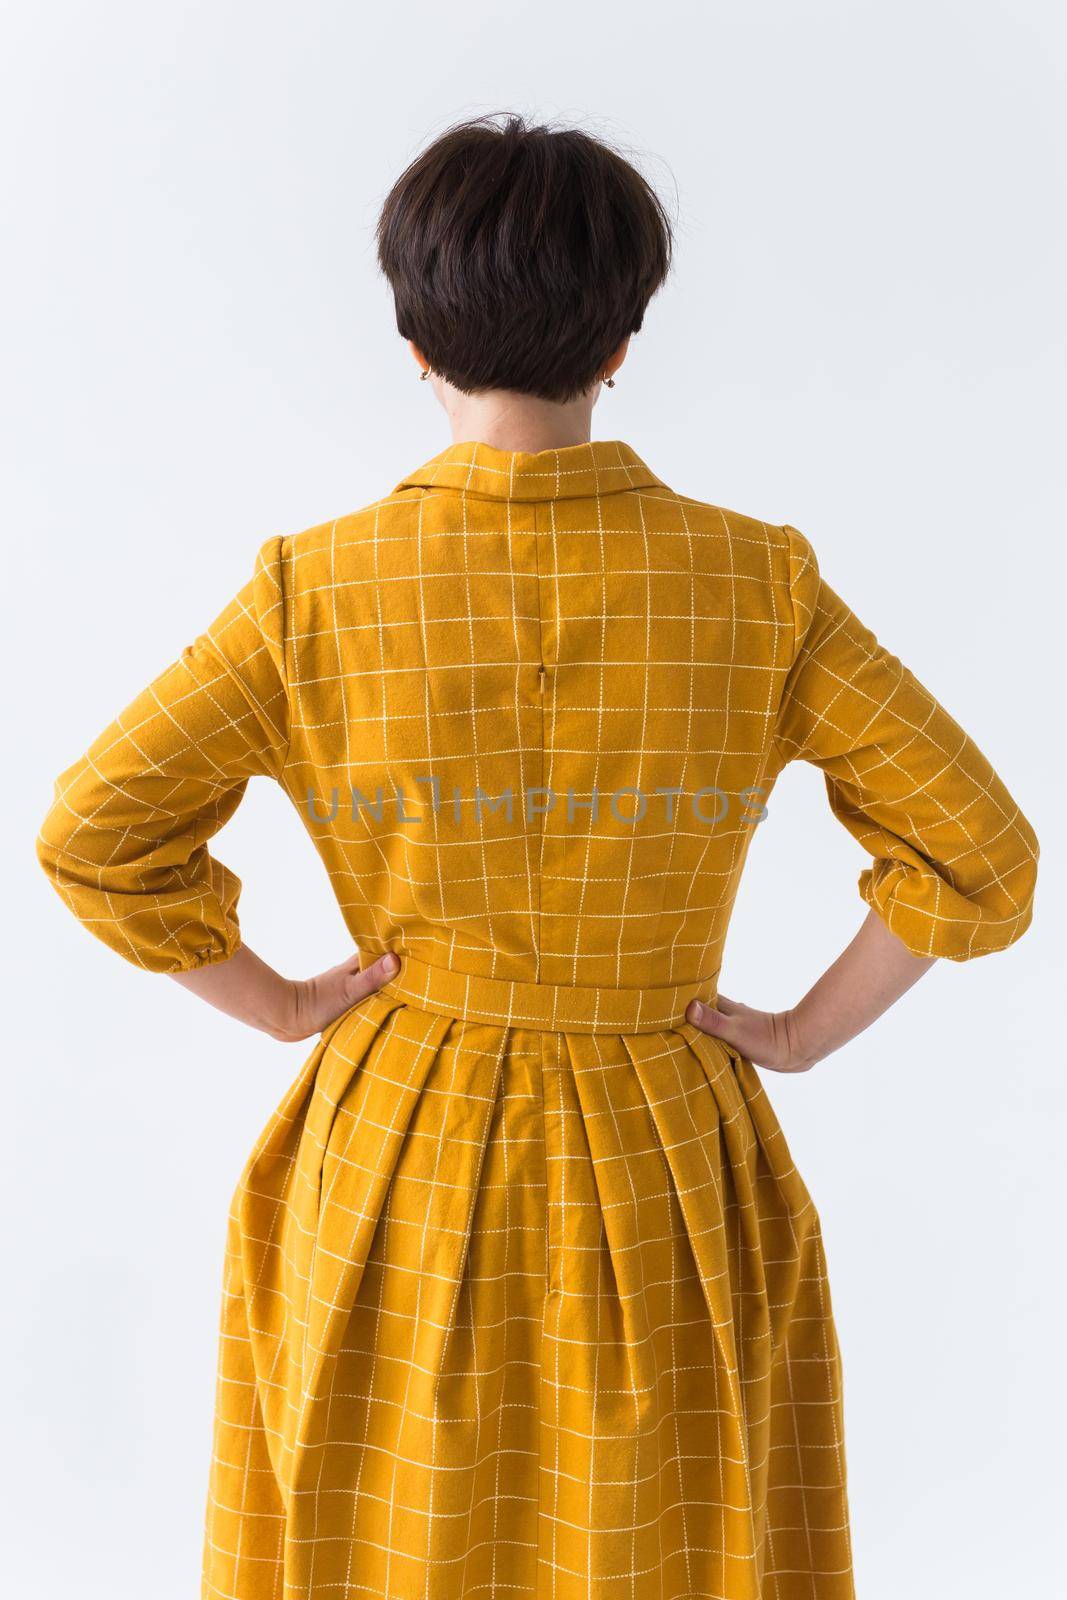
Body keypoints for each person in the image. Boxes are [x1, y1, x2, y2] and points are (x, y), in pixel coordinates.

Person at [36, 112, 1039, 1600]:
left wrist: (282, 1003)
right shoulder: (755, 582)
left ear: (414, 338)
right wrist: (800, 1038)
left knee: (383, 1540)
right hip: (667, 1147)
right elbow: (983, 851)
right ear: (624, 337)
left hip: (396, 1149)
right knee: (670, 1544)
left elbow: (93, 833)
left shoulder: (314, 590)